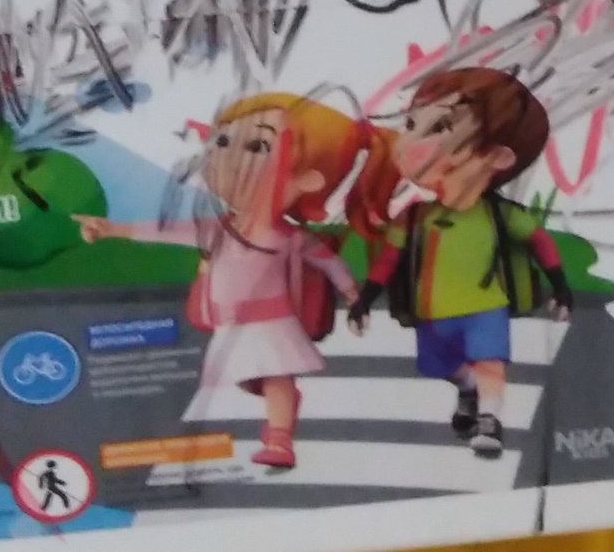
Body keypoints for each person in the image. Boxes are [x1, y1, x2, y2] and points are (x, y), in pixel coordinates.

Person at [85, 90, 389, 474]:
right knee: (250, 378)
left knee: (276, 375)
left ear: (306, 179)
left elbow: (330, 264)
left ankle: (279, 438)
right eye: (223, 141)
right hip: (229, 325)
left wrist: (353, 296)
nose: (226, 158)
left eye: (258, 146)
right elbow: (167, 231)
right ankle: (282, 409)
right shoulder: (217, 229)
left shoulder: (290, 237)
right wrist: (112, 229)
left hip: (274, 321)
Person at [366, 64, 568, 463]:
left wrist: (560, 285)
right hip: (430, 310)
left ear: (497, 156)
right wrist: (365, 298)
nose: (407, 143)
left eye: (441, 127)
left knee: (490, 360)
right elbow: (390, 257)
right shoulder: (414, 217)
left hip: (485, 306)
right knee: (440, 365)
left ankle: (490, 420)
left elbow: (539, 240)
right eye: (411, 124)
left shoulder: (498, 214)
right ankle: (468, 386)